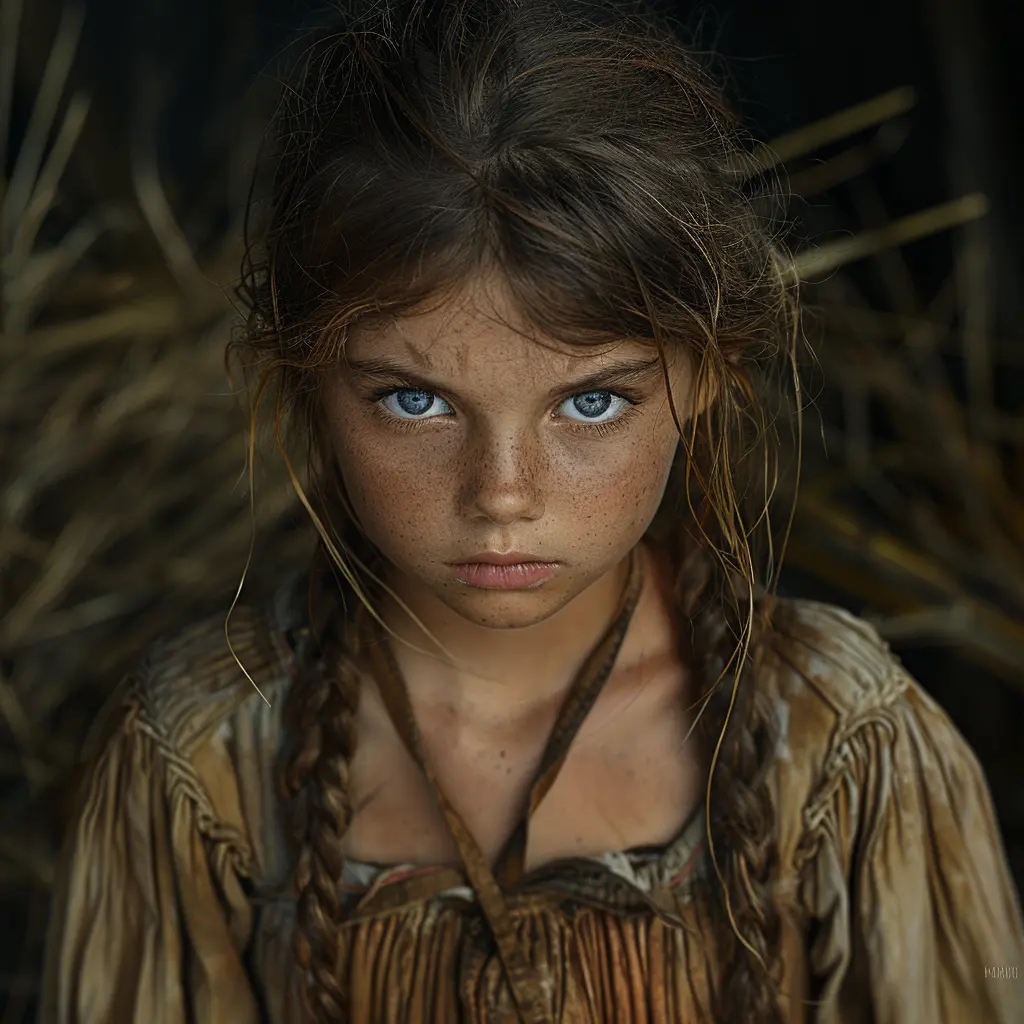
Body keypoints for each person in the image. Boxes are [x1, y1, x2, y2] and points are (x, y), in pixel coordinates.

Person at [39, 1, 1024, 1021]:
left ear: (705, 378)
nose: (502, 492)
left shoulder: (844, 747)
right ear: (305, 390)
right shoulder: (201, 759)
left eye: (588, 401)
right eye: (413, 401)